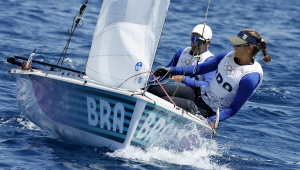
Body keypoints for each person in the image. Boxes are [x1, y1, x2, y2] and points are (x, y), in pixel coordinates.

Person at [152, 29, 271, 128]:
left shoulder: (250, 77)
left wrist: (211, 120)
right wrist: (171, 70)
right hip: (199, 92)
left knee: (164, 102)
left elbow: (233, 109)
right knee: (152, 90)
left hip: (210, 110)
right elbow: (199, 69)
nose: (234, 46)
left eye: (238, 44)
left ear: (249, 49)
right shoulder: (227, 56)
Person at [148, 24, 216, 102]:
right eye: (194, 38)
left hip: (194, 98)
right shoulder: (182, 53)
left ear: (208, 43)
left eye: (200, 41)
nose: (196, 44)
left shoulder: (209, 60)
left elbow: (206, 87)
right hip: (177, 93)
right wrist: (147, 80)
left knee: (165, 99)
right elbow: (165, 74)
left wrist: (183, 79)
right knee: (151, 90)